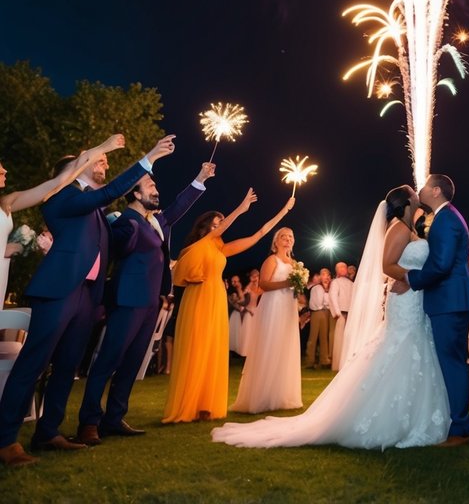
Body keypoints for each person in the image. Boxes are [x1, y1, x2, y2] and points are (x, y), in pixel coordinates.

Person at [212, 184, 451, 449]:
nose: (419, 196)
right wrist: (408, 278)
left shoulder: (411, 230)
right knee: (399, 350)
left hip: (414, 300)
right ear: (406, 203)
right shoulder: (399, 229)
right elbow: (387, 265)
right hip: (406, 298)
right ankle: (386, 417)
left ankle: (414, 414)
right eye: (414, 195)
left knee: (410, 351)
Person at [0, 133, 174, 470]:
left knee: (67, 366)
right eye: (97, 160)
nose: (104, 164)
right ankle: (6, 439)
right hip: (60, 290)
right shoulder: (61, 197)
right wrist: (148, 158)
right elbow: (110, 192)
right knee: (33, 364)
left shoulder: (97, 210)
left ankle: (48, 432)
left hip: (87, 296)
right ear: (74, 170)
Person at [75, 160, 215, 444]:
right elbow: (117, 248)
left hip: (151, 303)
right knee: (108, 361)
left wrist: (200, 178)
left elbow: (178, 207)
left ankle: (113, 418)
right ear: (136, 194)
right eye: (150, 186)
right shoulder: (126, 221)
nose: (156, 190)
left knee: (132, 363)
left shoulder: (156, 222)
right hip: (127, 302)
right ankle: (89, 422)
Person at [162, 189, 295, 423]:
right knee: (197, 347)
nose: (220, 227)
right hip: (198, 298)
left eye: (220, 223)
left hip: (216, 298)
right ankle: (188, 404)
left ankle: (205, 405)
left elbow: (261, 233)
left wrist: (284, 210)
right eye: (216, 224)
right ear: (204, 228)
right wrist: (241, 208)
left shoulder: (221, 248)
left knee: (214, 350)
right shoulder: (199, 245)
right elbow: (220, 230)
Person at [1, 141, 126, 310]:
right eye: (0, 166)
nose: (4, 170)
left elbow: (58, 182)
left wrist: (102, 150)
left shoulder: (7, 202)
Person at [403, 173, 469, 445]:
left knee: (453, 363)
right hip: (451, 300)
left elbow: (441, 264)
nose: (420, 190)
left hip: (450, 301)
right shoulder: (446, 217)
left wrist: (411, 279)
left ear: (435, 191)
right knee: (451, 361)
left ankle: (461, 427)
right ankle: (456, 421)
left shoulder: (446, 219)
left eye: (424, 186)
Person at [231, 227, 302, 413]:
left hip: (288, 307)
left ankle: (282, 395)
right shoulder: (271, 260)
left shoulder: (295, 263)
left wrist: (298, 287)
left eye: (290, 236)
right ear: (276, 241)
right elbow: (263, 284)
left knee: (285, 347)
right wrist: (287, 284)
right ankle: (263, 396)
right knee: (270, 345)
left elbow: (295, 287)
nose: (288, 239)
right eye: (283, 236)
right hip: (273, 306)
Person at [328, 262, 354, 372]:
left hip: (351, 313)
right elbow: (333, 296)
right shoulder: (335, 282)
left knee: (348, 338)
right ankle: (337, 364)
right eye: (340, 267)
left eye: (344, 267)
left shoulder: (351, 283)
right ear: (337, 270)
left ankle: (347, 362)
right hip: (341, 313)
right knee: (339, 339)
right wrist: (337, 312)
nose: (343, 269)